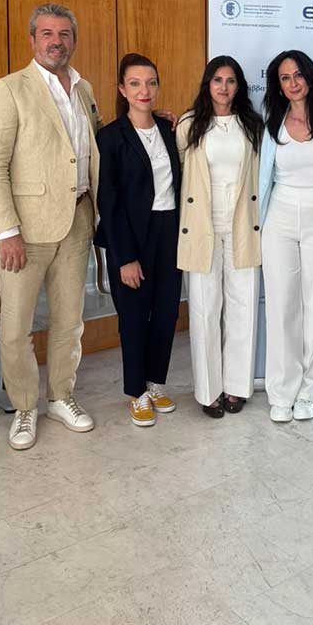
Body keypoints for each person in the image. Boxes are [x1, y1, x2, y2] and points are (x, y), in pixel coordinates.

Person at [0, 3, 101, 450]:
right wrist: (6, 231)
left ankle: (61, 397)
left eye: (64, 34)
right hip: (24, 231)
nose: (56, 42)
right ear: (32, 40)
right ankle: (25, 406)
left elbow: (91, 147)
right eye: (47, 33)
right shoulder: (8, 90)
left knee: (70, 322)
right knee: (16, 328)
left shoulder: (84, 89)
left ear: (73, 40)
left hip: (77, 222)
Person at [95, 54, 182, 426]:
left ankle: (156, 383)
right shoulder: (110, 137)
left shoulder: (168, 129)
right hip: (131, 237)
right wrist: (124, 257)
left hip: (170, 231)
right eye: (134, 83)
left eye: (150, 82)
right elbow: (109, 202)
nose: (144, 90)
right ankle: (136, 392)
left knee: (166, 312)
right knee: (133, 317)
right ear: (122, 89)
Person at [259, 50, 313, 422]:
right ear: (277, 85)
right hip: (279, 216)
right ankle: (282, 392)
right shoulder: (271, 119)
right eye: (284, 78)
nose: (292, 83)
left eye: (297, 75)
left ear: (310, 76)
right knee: (281, 306)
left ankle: (311, 390)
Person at [176, 56, 262, 419]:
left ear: (238, 86)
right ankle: (208, 391)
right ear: (207, 84)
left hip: (242, 225)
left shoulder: (252, 126)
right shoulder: (189, 125)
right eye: (217, 80)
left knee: (243, 307)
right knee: (204, 310)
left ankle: (236, 387)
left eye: (230, 80)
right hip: (202, 227)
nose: (223, 87)